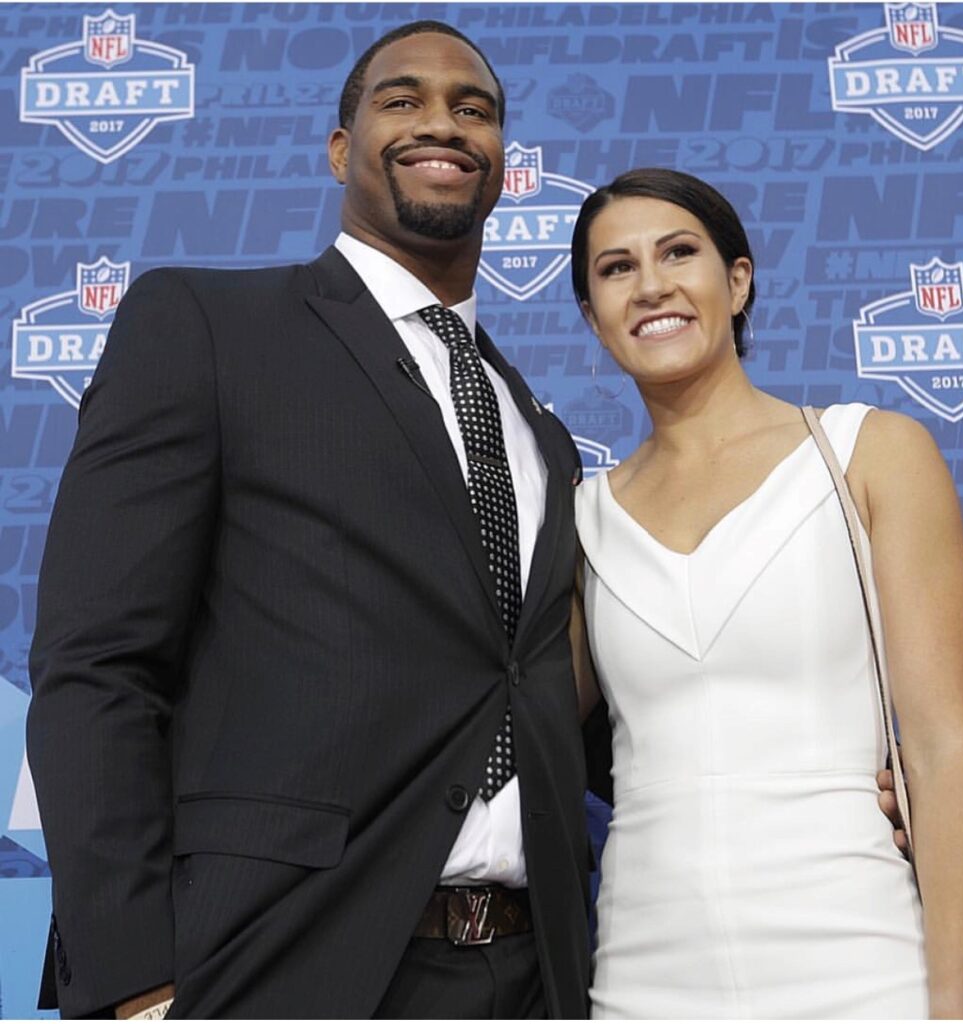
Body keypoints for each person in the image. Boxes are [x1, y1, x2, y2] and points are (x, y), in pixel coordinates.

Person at [26, 21, 591, 1019]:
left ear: (505, 163)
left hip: (531, 973)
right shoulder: (207, 326)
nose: (443, 125)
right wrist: (136, 983)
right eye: (402, 100)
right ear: (341, 149)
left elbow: (543, 695)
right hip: (277, 965)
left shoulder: (537, 428)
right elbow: (97, 666)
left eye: (475, 109)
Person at [568, 168, 963, 1019]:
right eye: (616, 269)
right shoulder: (579, 518)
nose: (651, 284)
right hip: (643, 975)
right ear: (592, 315)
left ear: (736, 279)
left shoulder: (866, 453)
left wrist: (957, 1005)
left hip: (858, 960)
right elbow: (519, 729)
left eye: (678, 253)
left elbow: (942, 748)